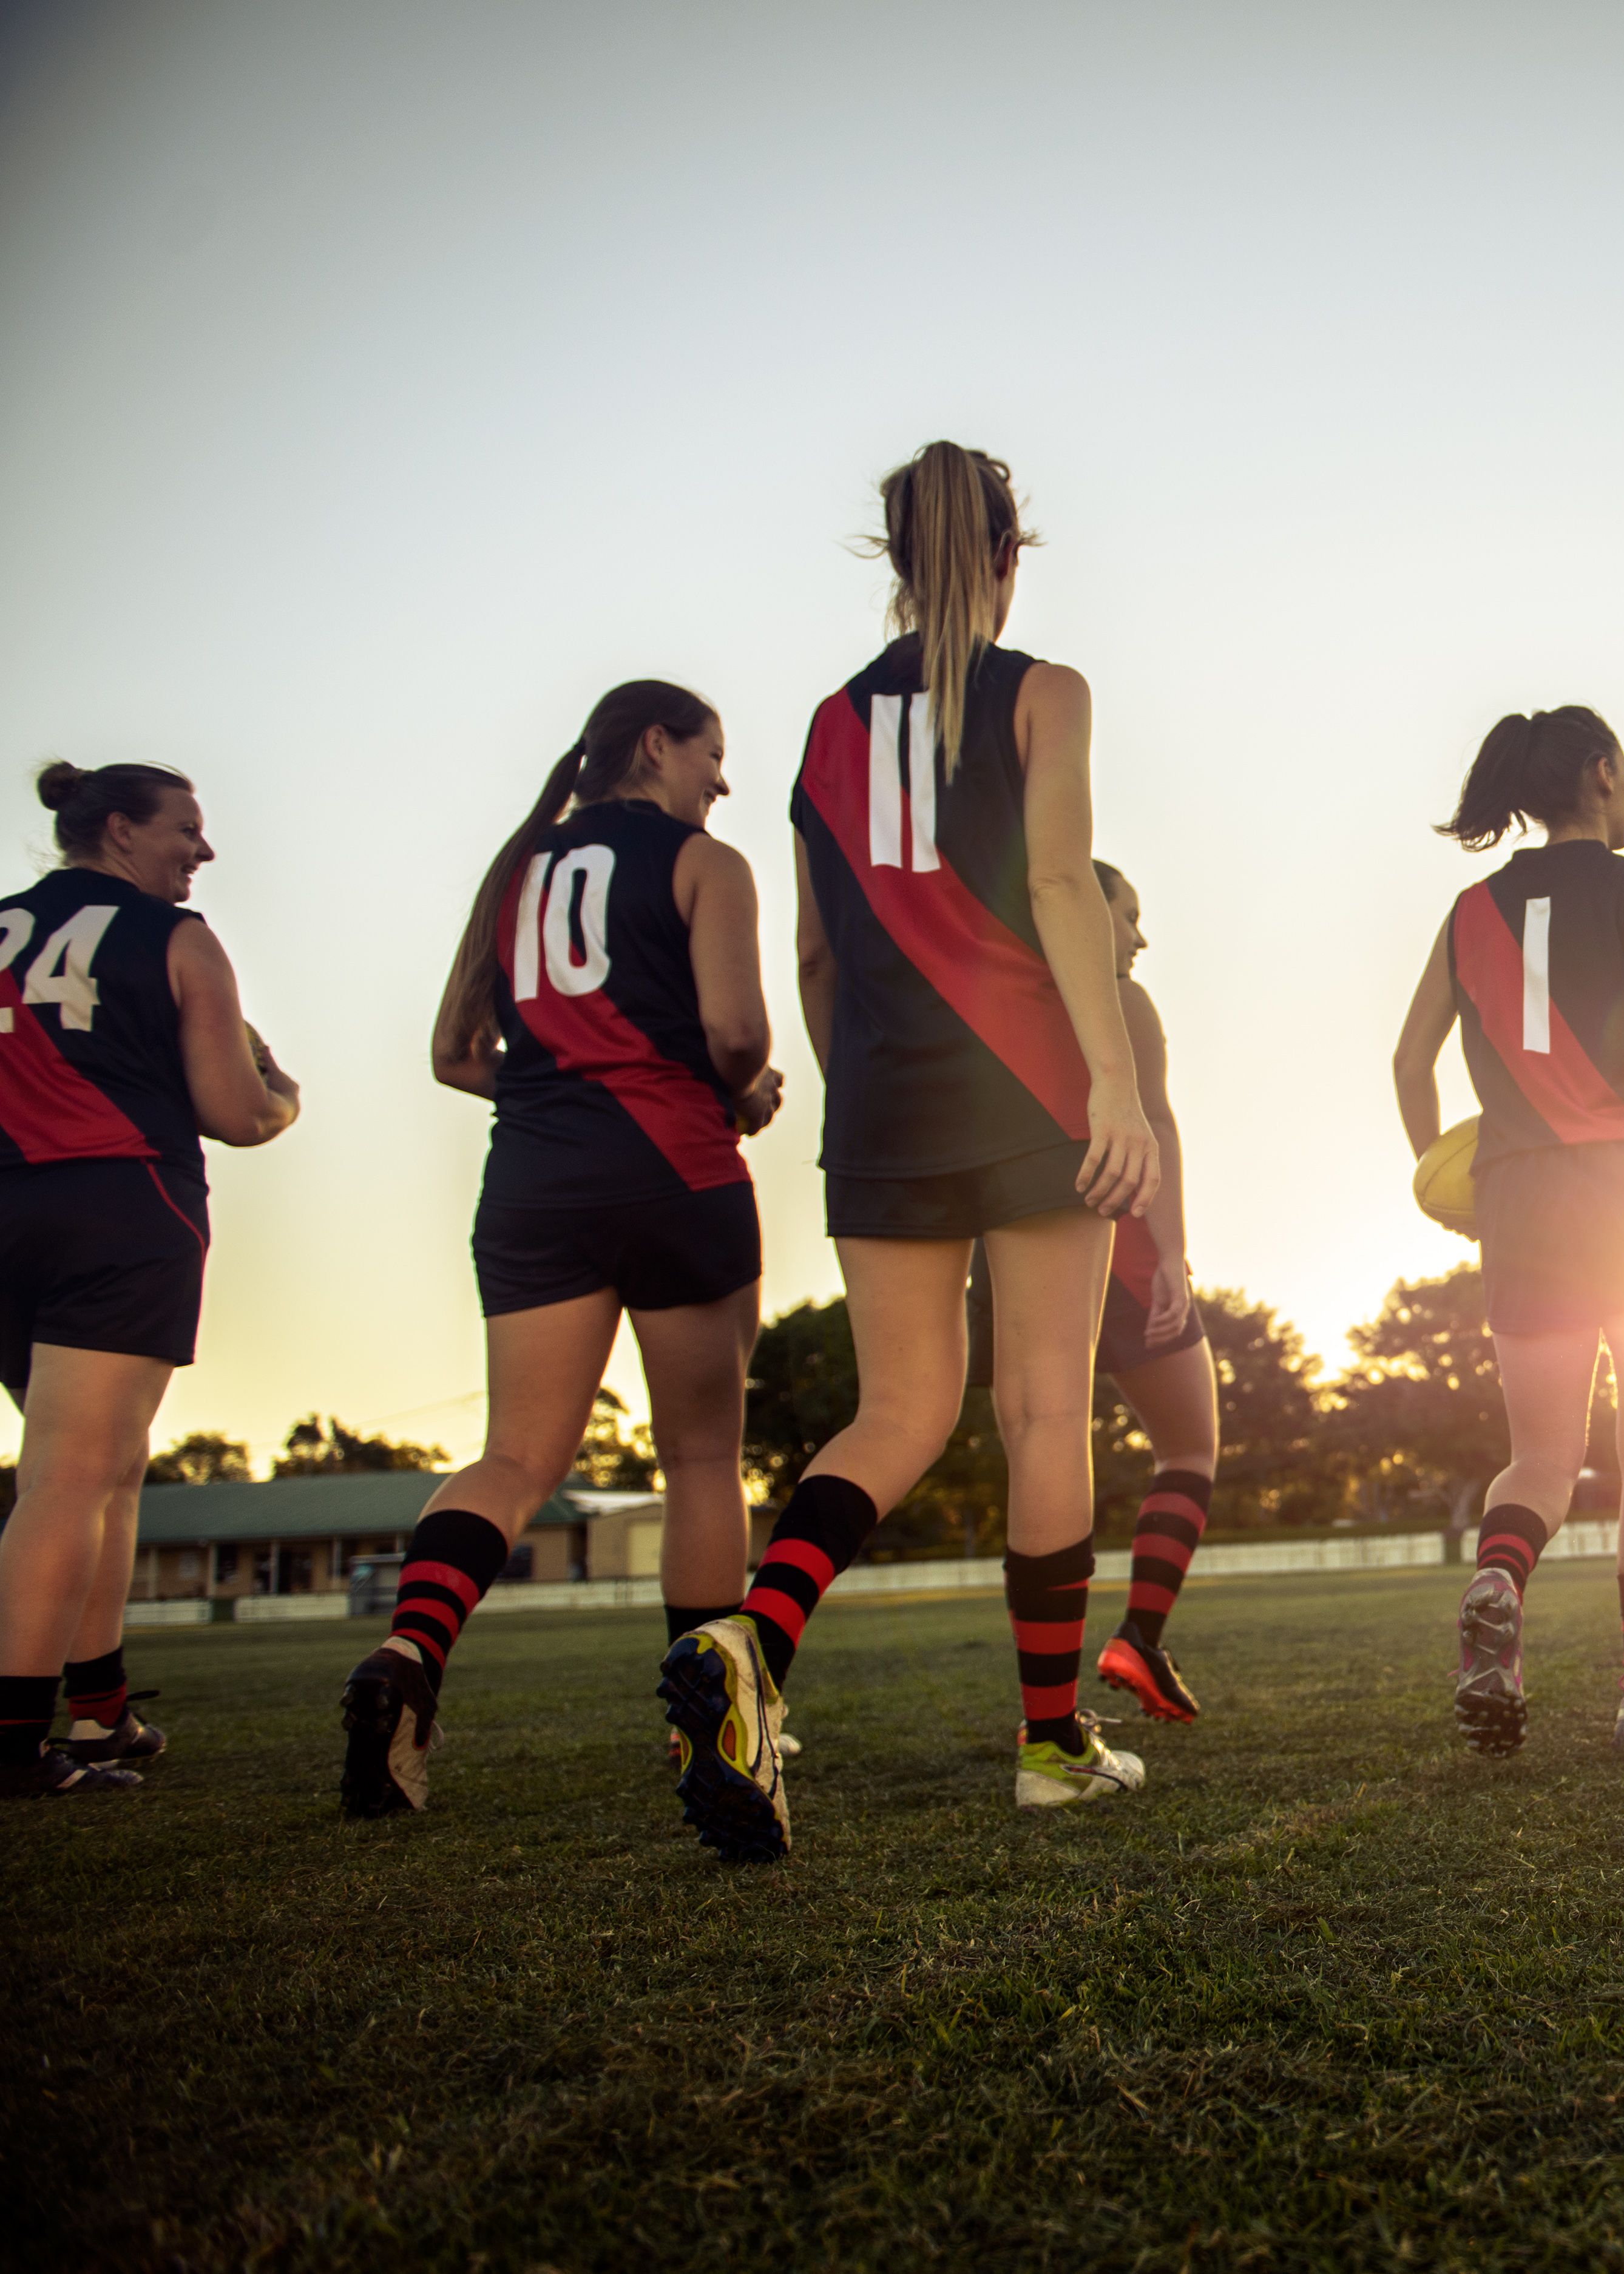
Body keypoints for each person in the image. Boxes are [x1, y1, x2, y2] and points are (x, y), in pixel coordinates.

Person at [660, 441, 1157, 1861]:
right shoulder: (1043, 689)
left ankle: (753, 1643)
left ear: (890, 563)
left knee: (900, 1411)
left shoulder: (822, 722)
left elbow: (818, 954)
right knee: (1044, 1410)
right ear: (1012, 556)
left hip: (881, 1096)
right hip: (1031, 1083)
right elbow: (1061, 881)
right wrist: (1111, 1081)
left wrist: (866, 1085)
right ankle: (1055, 1743)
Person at [338, 682, 783, 1818]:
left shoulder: (516, 870)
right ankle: (719, 1729)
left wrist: (560, 1088)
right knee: (697, 1460)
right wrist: (743, 1090)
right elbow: (737, 1034)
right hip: (675, 1169)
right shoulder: (705, 864)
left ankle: (409, 1660)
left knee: (515, 1461)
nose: (721, 781)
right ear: (655, 743)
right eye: (712, 755)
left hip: (532, 1182)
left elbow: (453, 1051)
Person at [1389, 707, 1624, 1758]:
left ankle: (1500, 1575)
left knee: (1540, 1457)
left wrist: (1442, 1174)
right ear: (1601, 775)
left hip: (1522, 1199)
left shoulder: (1470, 910)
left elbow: (1411, 1063)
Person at [0, 761, 300, 1796]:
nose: (204, 851)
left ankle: (100, 1711)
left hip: (9, 1213)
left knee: (105, 1468)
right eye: (188, 829)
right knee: (71, 1479)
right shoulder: (179, 937)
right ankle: (14, 1742)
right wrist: (283, 1095)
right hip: (122, 1212)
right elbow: (237, 1113)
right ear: (121, 830)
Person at [961, 859, 1217, 1725]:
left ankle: (1053, 1706)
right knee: (1190, 1448)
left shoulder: (995, 999)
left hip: (1006, 1245)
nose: (1140, 937)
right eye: (1129, 915)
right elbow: (1159, 1121)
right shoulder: (1121, 1000)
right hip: (1122, 1238)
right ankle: (1139, 1637)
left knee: (1038, 1454)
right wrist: (1174, 1251)